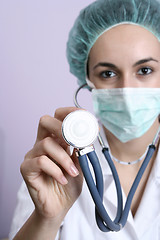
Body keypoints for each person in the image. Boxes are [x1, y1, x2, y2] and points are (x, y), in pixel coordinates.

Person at [9, 0, 160, 239]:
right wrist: (46, 219)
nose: (127, 88)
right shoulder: (56, 164)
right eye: (108, 73)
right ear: (88, 81)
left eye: (144, 70)